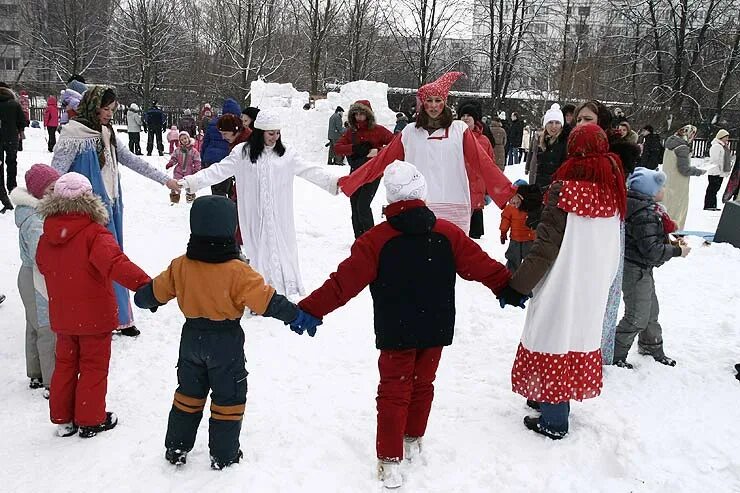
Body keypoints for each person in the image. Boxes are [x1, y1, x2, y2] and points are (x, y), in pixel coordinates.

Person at [296, 161, 512, 489]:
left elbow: (343, 283)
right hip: (436, 325)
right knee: (424, 384)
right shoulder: (446, 232)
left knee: (395, 390)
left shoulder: (376, 240)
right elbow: (480, 264)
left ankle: (390, 460)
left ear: (391, 198)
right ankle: (412, 439)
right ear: (422, 194)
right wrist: (508, 287)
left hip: (396, 328)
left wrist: (312, 309)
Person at [133, 195, 313, 469]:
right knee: (229, 398)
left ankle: (177, 447)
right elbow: (267, 301)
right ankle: (224, 453)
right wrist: (295, 315)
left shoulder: (181, 266)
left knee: (188, 394)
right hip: (225, 343)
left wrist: (146, 299)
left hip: (192, 340)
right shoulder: (238, 272)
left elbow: (153, 293)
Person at [498, 124, 626, 439]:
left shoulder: (564, 190)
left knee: (551, 338)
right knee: (573, 341)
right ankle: (545, 396)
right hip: (591, 284)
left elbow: (543, 250)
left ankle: (554, 419)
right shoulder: (612, 192)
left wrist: (517, 286)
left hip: (561, 282)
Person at [51, 85, 180, 337]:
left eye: (112, 109)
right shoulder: (72, 135)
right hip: (85, 211)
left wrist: (165, 180)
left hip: (111, 206)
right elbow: (55, 175)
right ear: (93, 106)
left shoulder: (107, 132)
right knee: (93, 264)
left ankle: (120, 315)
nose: (110, 114)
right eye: (106, 109)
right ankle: (96, 315)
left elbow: (131, 159)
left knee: (113, 259)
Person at [36, 172, 152, 438]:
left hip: (63, 316)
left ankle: (63, 418)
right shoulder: (94, 233)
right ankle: (90, 420)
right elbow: (115, 264)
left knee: (65, 365)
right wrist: (145, 285)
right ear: (89, 198)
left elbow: (43, 265)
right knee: (93, 366)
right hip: (94, 317)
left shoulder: (48, 235)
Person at [178, 109, 339, 296]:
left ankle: (284, 289)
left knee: (281, 249)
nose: (275, 137)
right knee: (257, 251)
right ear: (260, 132)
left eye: (278, 133)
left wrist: (334, 182)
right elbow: (217, 171)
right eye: (271, 133)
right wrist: (190, 181)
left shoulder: (286, 154)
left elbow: (310, 170)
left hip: (279, 214)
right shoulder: (242, 153)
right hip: (254, 214)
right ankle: (259, 293)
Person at [337, 72, 518, 234]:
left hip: (453, 206)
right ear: (423, 103)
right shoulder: (409, 132)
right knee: (417, 264)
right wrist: (348, 182)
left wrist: (508, 192)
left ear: (444, 103)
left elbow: (483, 164)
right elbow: (381, 162)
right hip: (417, 207)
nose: (433, 106)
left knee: (447, 263)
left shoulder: (459, 130)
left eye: (438, 101)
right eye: (429, 101)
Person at [613, 168, 689, 368]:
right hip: (635, 269)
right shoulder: (644, 213)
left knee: (651, 312)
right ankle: (614, 354)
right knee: (637, 315)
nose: (664, 189)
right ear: (650, 191)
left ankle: (651, 345)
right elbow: (651, 250)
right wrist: (677, 251)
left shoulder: (647, 209)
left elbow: (650, 240)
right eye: (661, 186)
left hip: (641, 268)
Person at [11, 164, 61, 397]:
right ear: (39, 191)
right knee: (46, 328)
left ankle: (36, 372)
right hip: (36, 277)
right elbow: (40, 255)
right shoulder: (35, 219)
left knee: (34, 325)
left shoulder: (36, 212)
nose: (55, 193)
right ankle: (52, 380)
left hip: (29, 275)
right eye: (51, 189)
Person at [333, 100, 394, 238]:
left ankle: (370, 239)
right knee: (355, 207)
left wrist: (378, 151)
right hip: (356, 173)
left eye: (362, 114)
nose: (359, 117)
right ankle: (359, 239)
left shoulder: (378, 130)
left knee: (363, 206)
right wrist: (354, 148)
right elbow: (337, 147)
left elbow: (394, 143)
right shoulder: (351, 132)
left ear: (368, 115)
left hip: (373, 174)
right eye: (356, 114)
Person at [457, 98, 496, 239]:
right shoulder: (454, 138)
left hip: (477, 187)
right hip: (458, 186)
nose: (466, 118)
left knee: (474, 238)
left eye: (469, 115)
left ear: (475, 119)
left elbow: (491, 165)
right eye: (463, 115)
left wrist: (489, 190)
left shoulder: (484, 140)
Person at [662, 124, 705, 229]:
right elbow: (684, 169)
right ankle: (675, 230)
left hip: (667, 180)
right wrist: (699, 171)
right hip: (679, 183)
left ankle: (665, 227)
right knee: (678, 207)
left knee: (667, 205)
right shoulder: (682, 148)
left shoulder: (669, 144)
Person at [202, 98, 241, 196]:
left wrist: (203, 159)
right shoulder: (235, 126)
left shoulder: (213, 123)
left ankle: (221, 203)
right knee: (225, 186)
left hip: (211, 159)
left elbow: (205, 143)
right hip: (225, 159)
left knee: (217, 187)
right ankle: (224, 206)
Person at [0, 84, 28, 211]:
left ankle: (2, 190)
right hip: (11, 138)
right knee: (11, 162)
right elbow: (23, 121)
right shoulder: (14, 104)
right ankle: (12, 186)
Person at [500, 179, 536, 272]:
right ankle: (527, 276)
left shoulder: (510, 206)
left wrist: (503, 232)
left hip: (516, 240)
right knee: (529, 261)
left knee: (513, 260)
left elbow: (505, 220)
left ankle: (510, 275)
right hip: (529, 239)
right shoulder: (531, 205)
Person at [529, 104, 567, 190]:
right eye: (550, 122)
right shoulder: (541, 140)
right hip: (539, 187)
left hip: (555, 190)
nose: (553, 126)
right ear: (545, 124)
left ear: (561, 125)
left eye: (557, 122)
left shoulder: (565, 142)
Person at [165, 131, 201, 204]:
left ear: (188, 138)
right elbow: (174, 158)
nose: (184, 140)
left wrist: (196, 169)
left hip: (190, 171)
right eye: (182, 139)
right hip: (179, 171)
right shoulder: (177, 150)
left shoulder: (194, 151)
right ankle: (174, 200)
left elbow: (197, 161)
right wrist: (171, 163)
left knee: (190, 186)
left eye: (185, 138)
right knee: (176, 184)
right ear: (180, 141)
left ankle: (190, 200)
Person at [705, 129, 732, 210]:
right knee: (712, 189)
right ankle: (709, 205)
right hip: (715, 172)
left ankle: (713, 205)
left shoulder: (723, 146)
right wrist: (719, 168)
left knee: (715, 189)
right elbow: (715, 159)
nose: (727, 139)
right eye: (725, 137)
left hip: (720, 172)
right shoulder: (716, 146)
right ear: (721, 137)